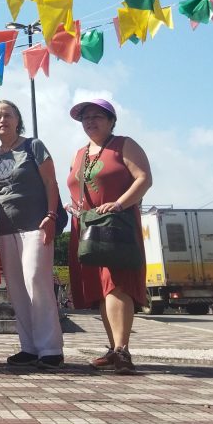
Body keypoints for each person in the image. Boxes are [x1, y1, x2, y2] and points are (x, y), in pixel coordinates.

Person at [67, 99, 152, 375]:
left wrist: (119, 203)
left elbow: (144, 179)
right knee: (99, 289)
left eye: (97, 117)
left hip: (117, 225)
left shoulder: (124, 144)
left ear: (112, 121)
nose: (90, 121)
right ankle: (113, 347)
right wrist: (73, 206)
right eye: (85, 118)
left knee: (117, 285)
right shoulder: (79, 153)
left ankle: (122, 349)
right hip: (88, 226)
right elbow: (74, 185)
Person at [0, 100, 64, 369]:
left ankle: (51, 348)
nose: (2, 119)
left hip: (36, 225)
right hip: (6, 229)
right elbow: (2, 192)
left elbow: (50, 182)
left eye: (7, 114)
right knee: (17, 288)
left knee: (36, 281)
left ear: (17, 119)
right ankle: (29, 347)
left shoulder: (33, 146)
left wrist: (51, 216)